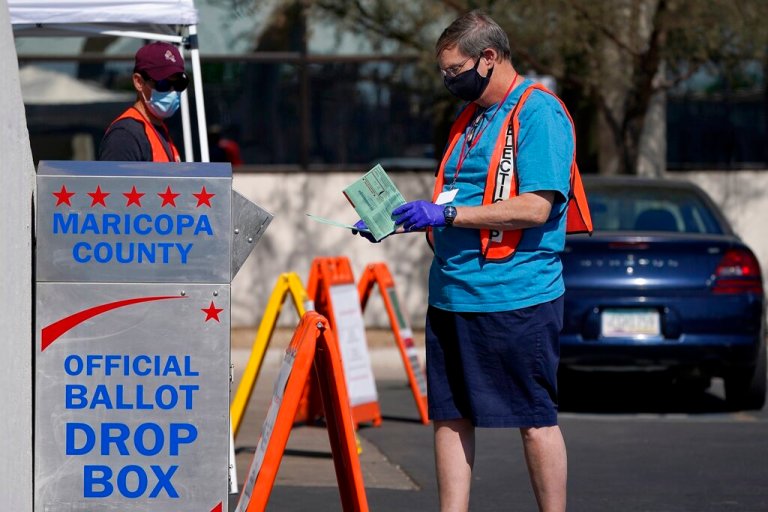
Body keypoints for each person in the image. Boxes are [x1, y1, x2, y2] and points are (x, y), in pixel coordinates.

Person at [353, 10, 591, 512]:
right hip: (453, 294)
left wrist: (448, 213)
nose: (448, 81)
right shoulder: (470, 118)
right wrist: (404, 218)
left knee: (535, 418)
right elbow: (461, 198)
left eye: (454, 71)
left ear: (489, 57)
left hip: (516, 296)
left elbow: (537, 205)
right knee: (451, 415)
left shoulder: (538, 113)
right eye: (443, 73)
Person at [98, 41, 189, 162]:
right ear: (139, 82)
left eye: (178, 84)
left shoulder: (159, 129)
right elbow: (114, 181)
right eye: (163, 84)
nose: (172, 91)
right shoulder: (124, 136)